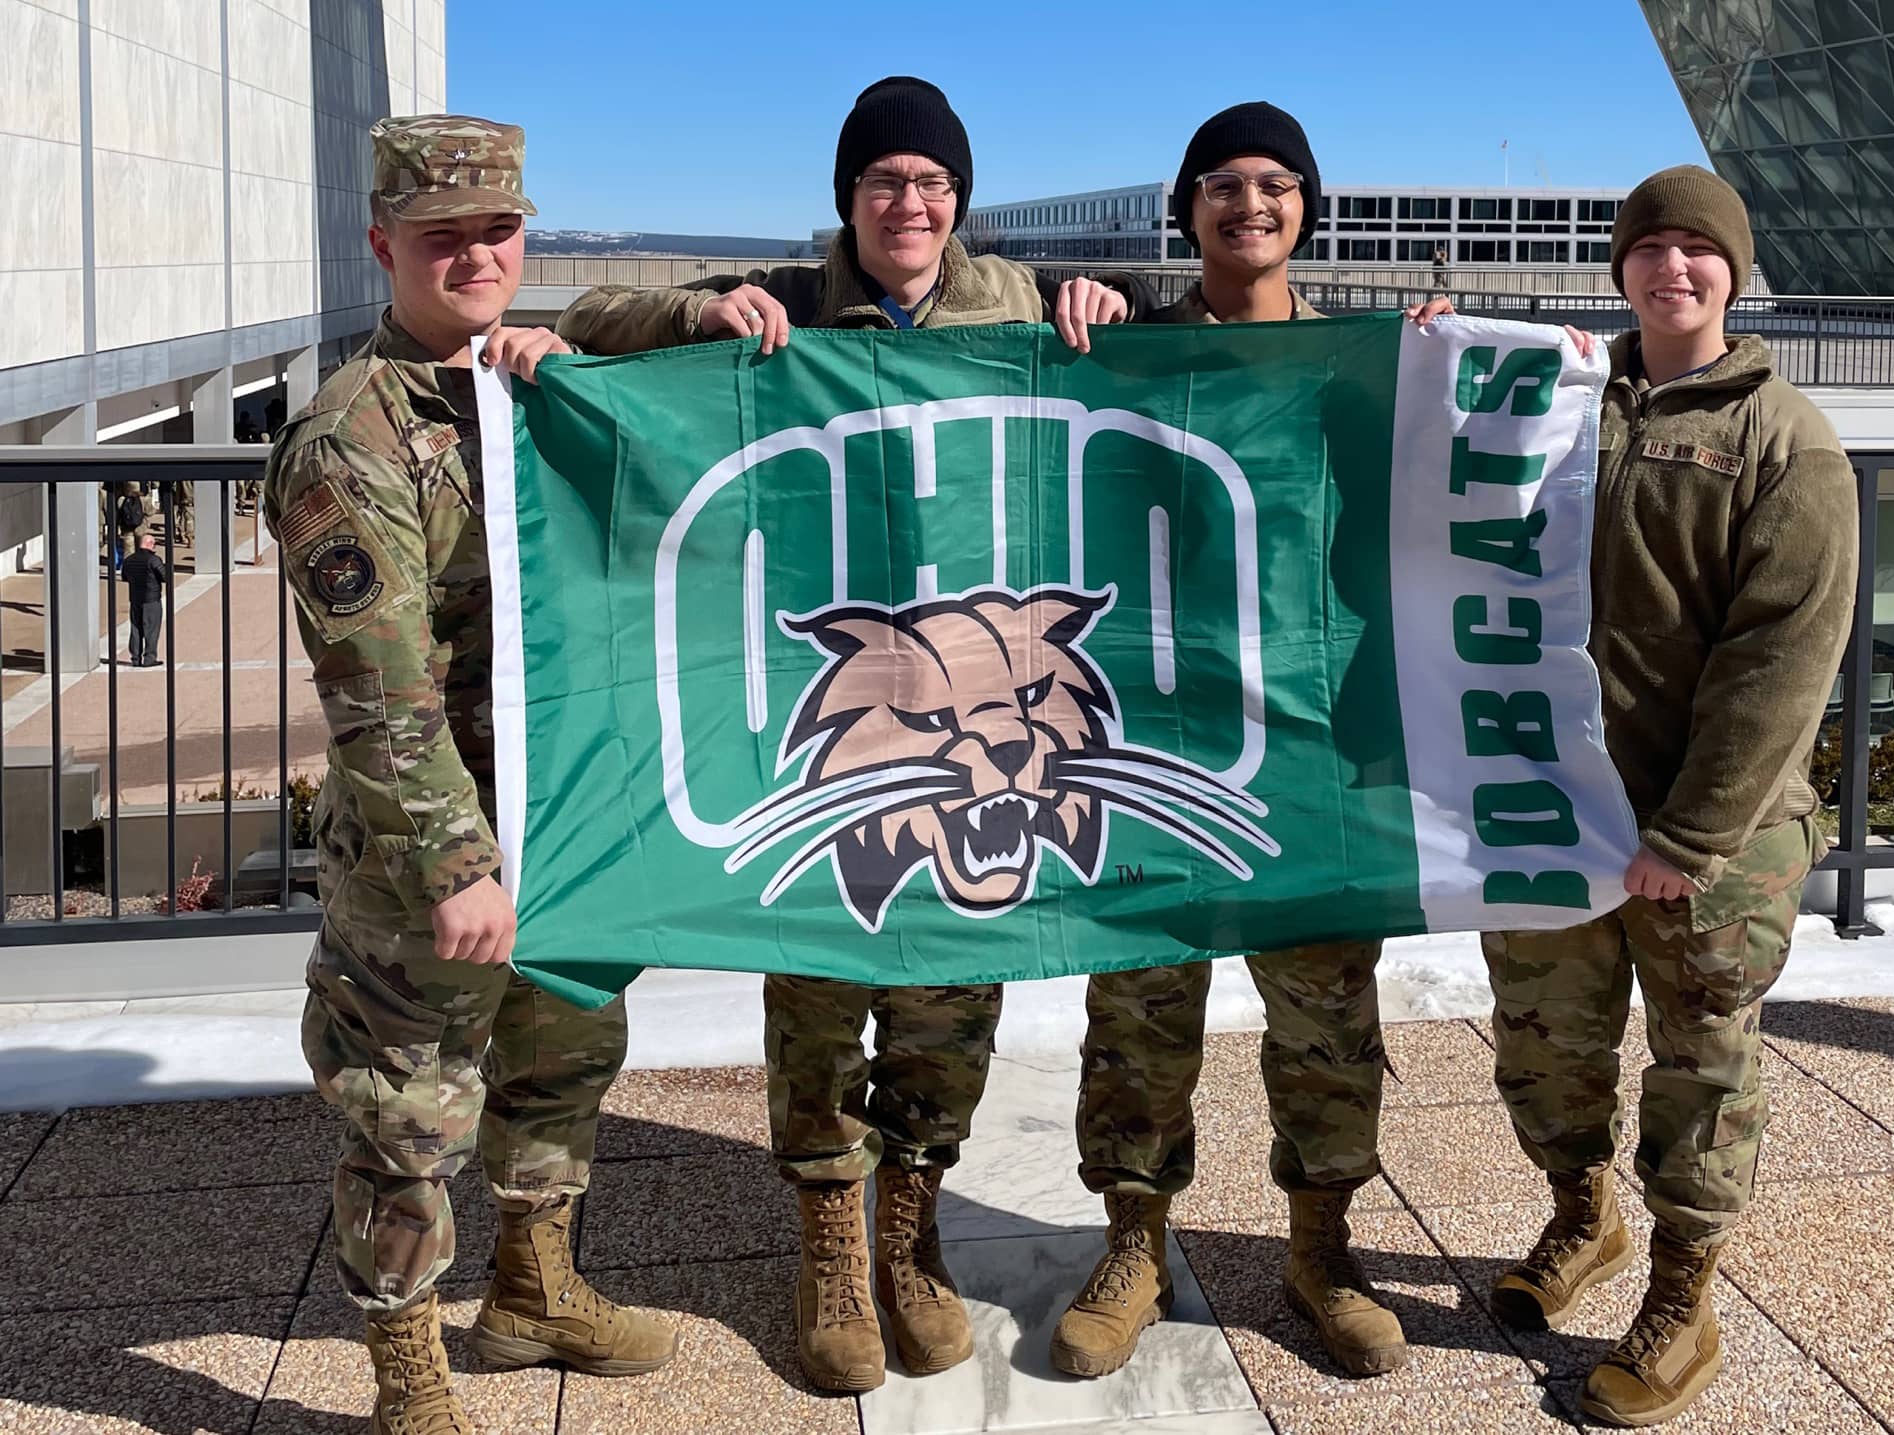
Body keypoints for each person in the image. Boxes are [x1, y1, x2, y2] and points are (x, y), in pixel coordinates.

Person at [556, 76, 1136, 1395]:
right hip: (832, 724)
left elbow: (1146, 376)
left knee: (951, 986)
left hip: (985, 715)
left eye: (931, 183)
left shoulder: (1010, 306)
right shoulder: (785, 296)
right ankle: (828, 1235)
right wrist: (690, 315)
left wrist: (1106, 310)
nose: (909, 203)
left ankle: (910, 1227)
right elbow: (588, 320)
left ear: (959, 203)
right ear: (847, 201)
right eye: (884, 182)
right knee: (815, 974)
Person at [1407, 164, 1856, 1425]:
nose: (1673, 271)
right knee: (1547, 1049)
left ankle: (1683, 1299)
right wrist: (1426, 362)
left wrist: (1693, 834)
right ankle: (1580, 1216)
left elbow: (1782, 659)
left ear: (1734, 270)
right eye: (1649, 249)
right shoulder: (1563, 398)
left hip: (1705, 837)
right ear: (1620, 270)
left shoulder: (1785, 440)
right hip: (1554, 810)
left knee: (1700, 1070)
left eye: (1698, 253)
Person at [264, 114, 676, 1435]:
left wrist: (589, 364)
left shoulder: (520, 383)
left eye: (498, 228)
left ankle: (534, 1288)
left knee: (562, 1048)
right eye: (443, 235)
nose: (476, 253)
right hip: (427, 837)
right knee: (408, 1107)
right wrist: (456, 857)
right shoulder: (350, 440)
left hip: (559, 815)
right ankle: (409, 1379)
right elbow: (376, 684)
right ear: (384, 243)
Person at [1048, 101, 1405, 1383]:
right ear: (1184, 210)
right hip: (1155, 737)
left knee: (1327, 1016)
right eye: (1220, 185)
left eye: (1274, 183)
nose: (1248, 204)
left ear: (1308, 205)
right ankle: (1134, 1242)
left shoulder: (1368, 361)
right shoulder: (1130, 348)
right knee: (1139, 1009)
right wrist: (1077, 307)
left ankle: (1322, 1249)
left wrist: (1458, 364)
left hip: (1306, 742)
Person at [121, 533, 168, 666]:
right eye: (154, 544)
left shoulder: (129, 560)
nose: (154, 547)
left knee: (135, 629)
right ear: (148, 544)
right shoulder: (153, 560)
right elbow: (165, 577)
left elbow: (125, 577)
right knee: (151, 629)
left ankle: (135, 658)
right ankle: (149, 657)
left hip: (135, 598)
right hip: (151, 599)